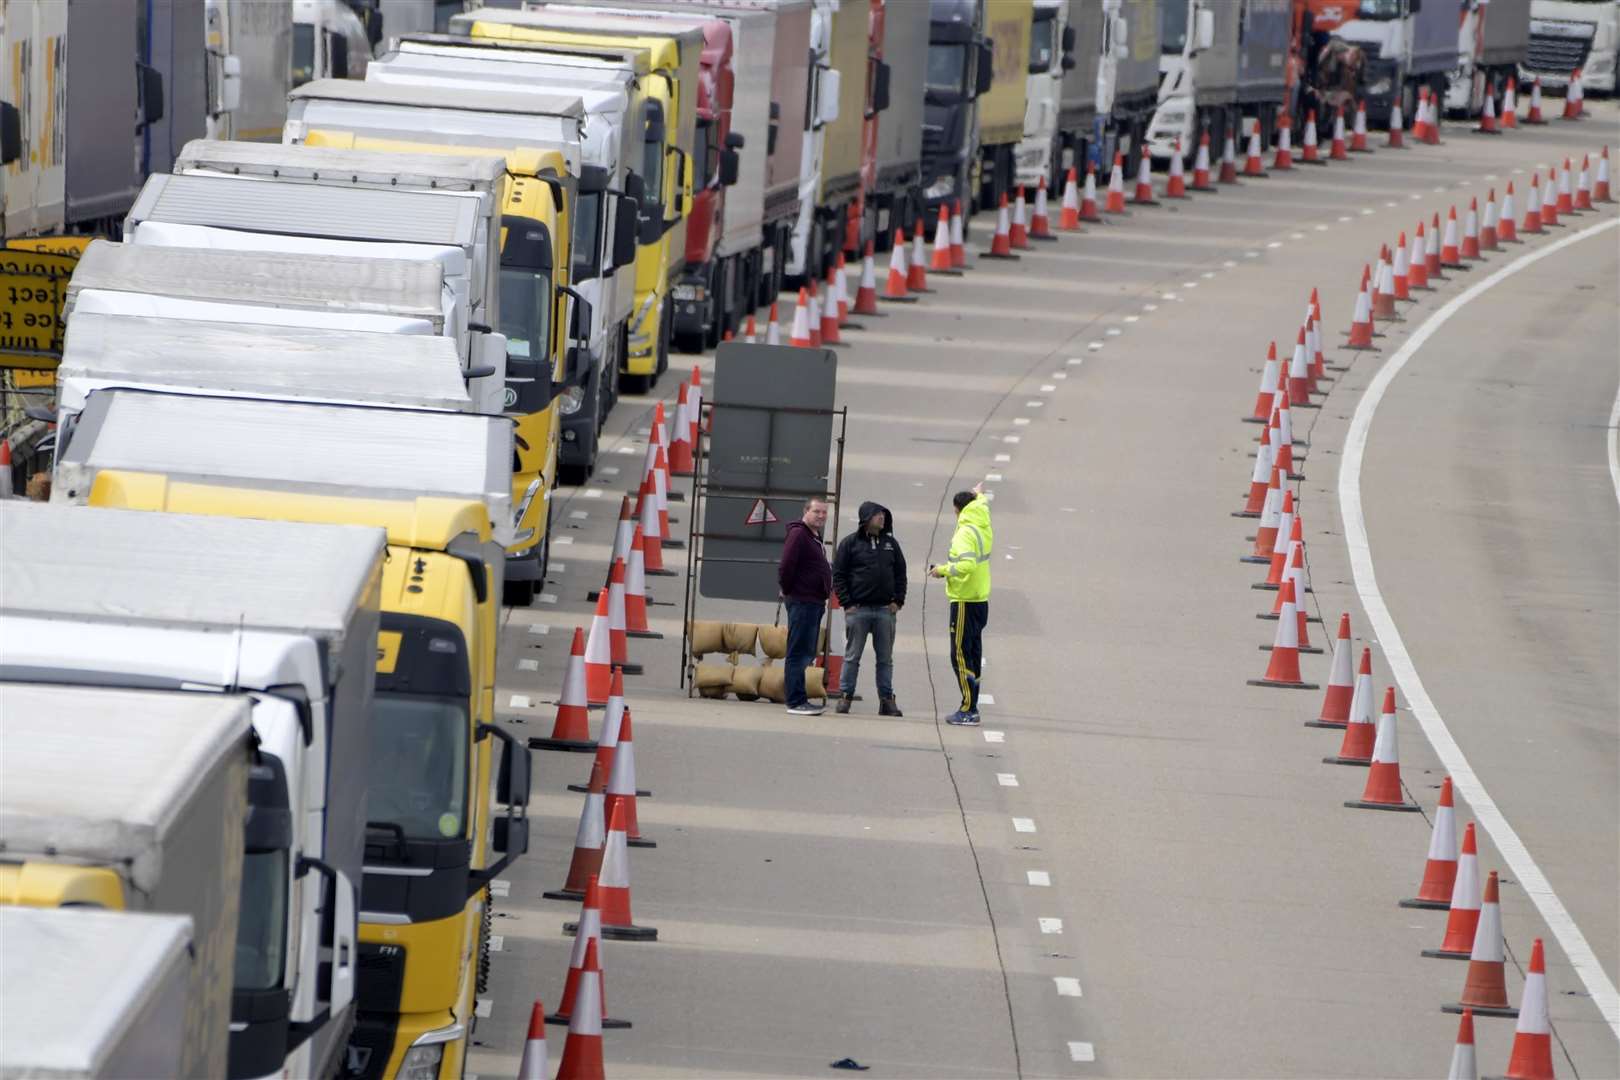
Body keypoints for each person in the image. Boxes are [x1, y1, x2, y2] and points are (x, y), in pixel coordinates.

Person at [830, 501, 907, 716]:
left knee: (885, 659)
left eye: (883, 514)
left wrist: (898, 601)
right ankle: (845, 697)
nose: (881, 518)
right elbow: (839, 575)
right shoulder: (850, 544)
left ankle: (887, 700)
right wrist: (847, 603)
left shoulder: (891, 544)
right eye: (877, 515)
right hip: (859, 610)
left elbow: (901, 574)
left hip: (885, 611)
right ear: (866, 518)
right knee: (852, 656)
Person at [929, 482, 992, 725]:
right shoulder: (981, 521)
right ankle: (971, 704)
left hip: (964, 598)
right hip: (979, 598)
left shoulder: (965, 532)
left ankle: (968, 708)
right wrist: (978, 494)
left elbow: (966, 565)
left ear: (957, 510)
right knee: (973, 654)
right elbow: (981, 501)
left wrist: (942, 571)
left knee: (961, 656)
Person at [777, 497, 832, 715]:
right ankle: (795, 700)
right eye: (817, 511)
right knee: (798, 652)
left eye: (824, 512)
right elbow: (786, 566)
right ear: (806, 511)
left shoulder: (813, 536)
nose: (821, 516)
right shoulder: (799, 534)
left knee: (806, 651)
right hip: (803, 601)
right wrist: (791, 590)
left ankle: (799, 698)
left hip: (813, 602)